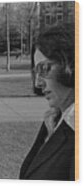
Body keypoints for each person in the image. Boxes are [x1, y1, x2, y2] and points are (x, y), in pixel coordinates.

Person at [19, 24, 75, 180]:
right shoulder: (54, 120)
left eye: (44, 69)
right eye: (36, 71)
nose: (38, 83)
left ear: (70, 64)